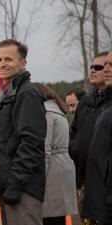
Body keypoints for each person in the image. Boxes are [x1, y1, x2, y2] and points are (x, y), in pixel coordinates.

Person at [0, 39, 46, 225]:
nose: (2, 64)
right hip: (8, 185)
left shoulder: (26, 93)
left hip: (22, 189)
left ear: (22, 63)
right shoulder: (6, 93)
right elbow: (7, 142)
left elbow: (31, 144)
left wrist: (15, 185)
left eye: (8, 60)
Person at [69, 51, 109, 216]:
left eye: (98, 67)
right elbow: (74, 132)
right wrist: (73, 148)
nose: (92, 70)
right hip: (83, 179)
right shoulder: (85, 102)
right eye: (92, 66)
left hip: (104, 183)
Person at [35, 83, 78, 225]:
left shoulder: (46, 114)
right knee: (58, 217)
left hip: (52, 170)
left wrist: (38, 178)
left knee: (50, 217)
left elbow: (45, 148)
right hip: (63, 166)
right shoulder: (57, 112)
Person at [81, 51, 112, 225]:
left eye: (110, 65)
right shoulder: (87, 103)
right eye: (104, 65)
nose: (106, 70)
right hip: (93, 193)